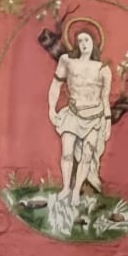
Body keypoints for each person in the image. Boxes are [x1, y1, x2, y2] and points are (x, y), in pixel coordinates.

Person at [48, 23, 113, 204]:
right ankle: (66, 188)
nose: (84, 44)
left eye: (87, 39)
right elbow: (56, 85)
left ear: (94, 42)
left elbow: (105, 99)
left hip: (94, 117)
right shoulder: (67, 61)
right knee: (67, 153)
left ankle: (76, 190)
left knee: (86, 155)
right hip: (72, 114)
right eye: (80, 40)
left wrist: (107, 122)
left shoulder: (103, 69)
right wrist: (51, 109)